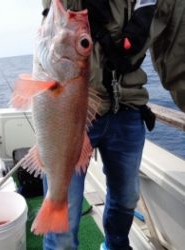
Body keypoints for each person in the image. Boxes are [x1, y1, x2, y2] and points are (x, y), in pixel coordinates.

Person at [41, 0, 185, 249]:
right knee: (64, 214)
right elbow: (58, 12)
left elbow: (179, 62)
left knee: (127, 198)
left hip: (128, 106)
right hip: (74, 111)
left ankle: (115, 246)